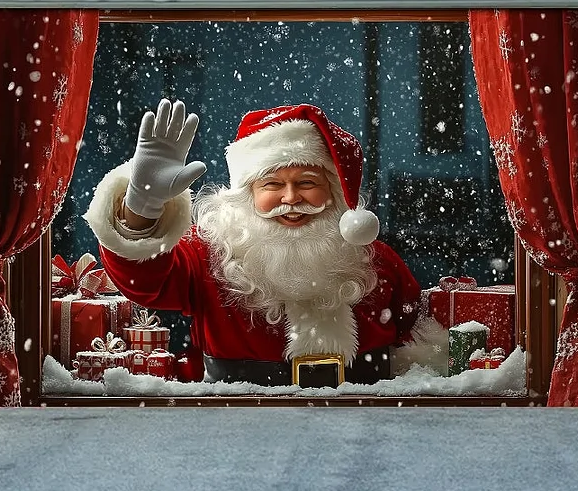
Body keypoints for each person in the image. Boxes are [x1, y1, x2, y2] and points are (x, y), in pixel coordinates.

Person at [84, 100, 424, 386]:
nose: (290, 198)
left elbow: (418, 336)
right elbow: (142, 283)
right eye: (272, 184)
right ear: (247, 194)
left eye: (307, 182)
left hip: (361, 420)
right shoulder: (210, 254)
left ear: (333, 192)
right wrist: (142, 209)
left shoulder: (375, 260)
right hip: (239, 423)